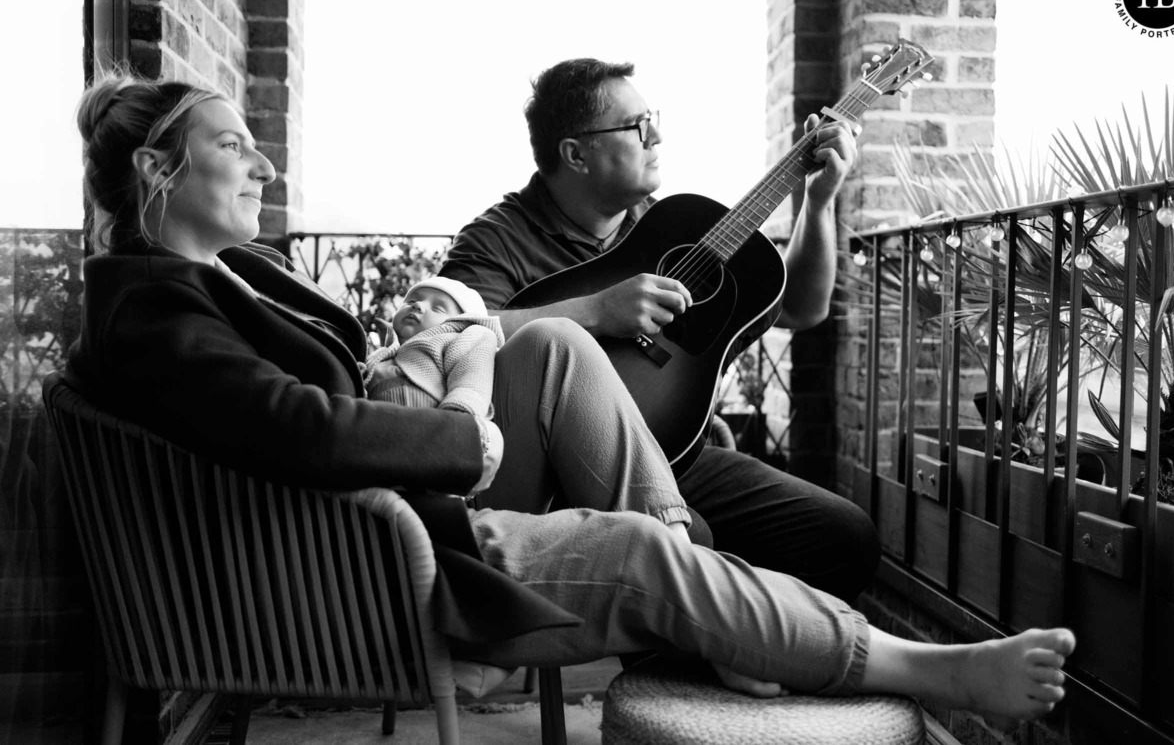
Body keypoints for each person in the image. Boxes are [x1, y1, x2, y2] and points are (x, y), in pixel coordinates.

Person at [67, 71, 1076, 719]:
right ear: (160, 168)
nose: (263, 161)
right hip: (360, 560)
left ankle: (724, 609)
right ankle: (919, 667)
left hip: (371, 525)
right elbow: (300, 425)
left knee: (556, 354)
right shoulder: (157, 307)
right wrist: (463, 420)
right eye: (236, 144)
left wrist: (817, 195)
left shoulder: (204, 283)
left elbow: (797, 304)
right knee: (636, 543)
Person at [438, 57, 878, 599]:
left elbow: (802, 308)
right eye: (637, 126)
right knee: (691, 541)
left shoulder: (669, 226)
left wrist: (817, 201)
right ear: (576, 154)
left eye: (654, 118)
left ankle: (753, 658)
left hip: (674, 451)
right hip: (557, 472)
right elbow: (447, 332)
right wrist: (597, 309)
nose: (658, 136)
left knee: (844, 537)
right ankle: (691, 663)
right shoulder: (498, 239)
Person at [362, 276, 503, 420]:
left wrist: (461, 419)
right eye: (410, 301)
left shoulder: (468, 336)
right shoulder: (382, 355)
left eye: (438, 308)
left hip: (435, 428)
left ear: (461, 322)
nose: (417, 305)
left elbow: (472, 382)